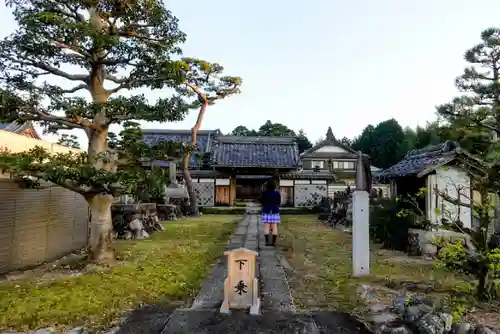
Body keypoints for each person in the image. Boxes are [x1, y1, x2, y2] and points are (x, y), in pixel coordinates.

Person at [260, 179, 281, 246]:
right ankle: (273, 242)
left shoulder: (264, 193)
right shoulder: (277, 193)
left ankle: (266, 242)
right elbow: (278, 202)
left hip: (266, 210)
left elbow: (262, 202)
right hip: (275, 210)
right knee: (274, 226)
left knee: (267, 227)